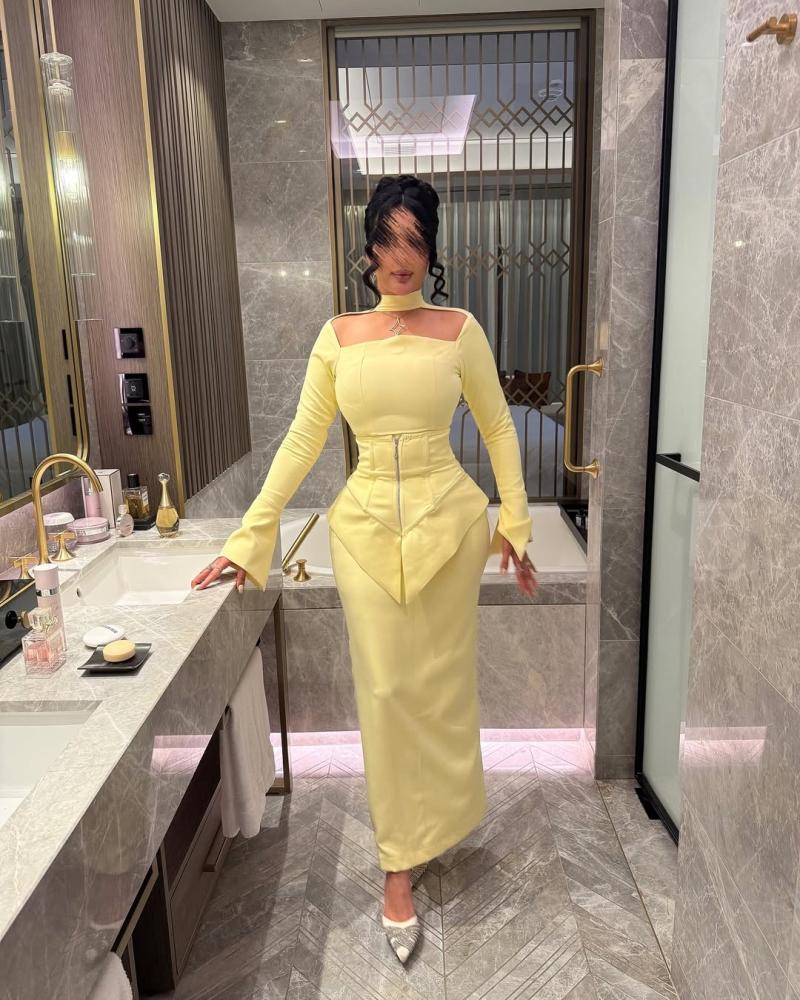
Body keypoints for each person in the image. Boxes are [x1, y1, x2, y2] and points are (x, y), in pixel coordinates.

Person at [192, 173, 537, 965]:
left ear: (432, 249)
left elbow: (498, 428)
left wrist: (515, 523)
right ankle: (396, 865)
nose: (401, 255)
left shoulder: (461, 330)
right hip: (366, 532)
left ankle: (434, 825)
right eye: (388, 238)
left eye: (415, 240)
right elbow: (301, 440)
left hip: (449, 529)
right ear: (370, 247)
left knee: (440, 690)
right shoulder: (338, 336)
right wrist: (250, 535)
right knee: (383, 694)